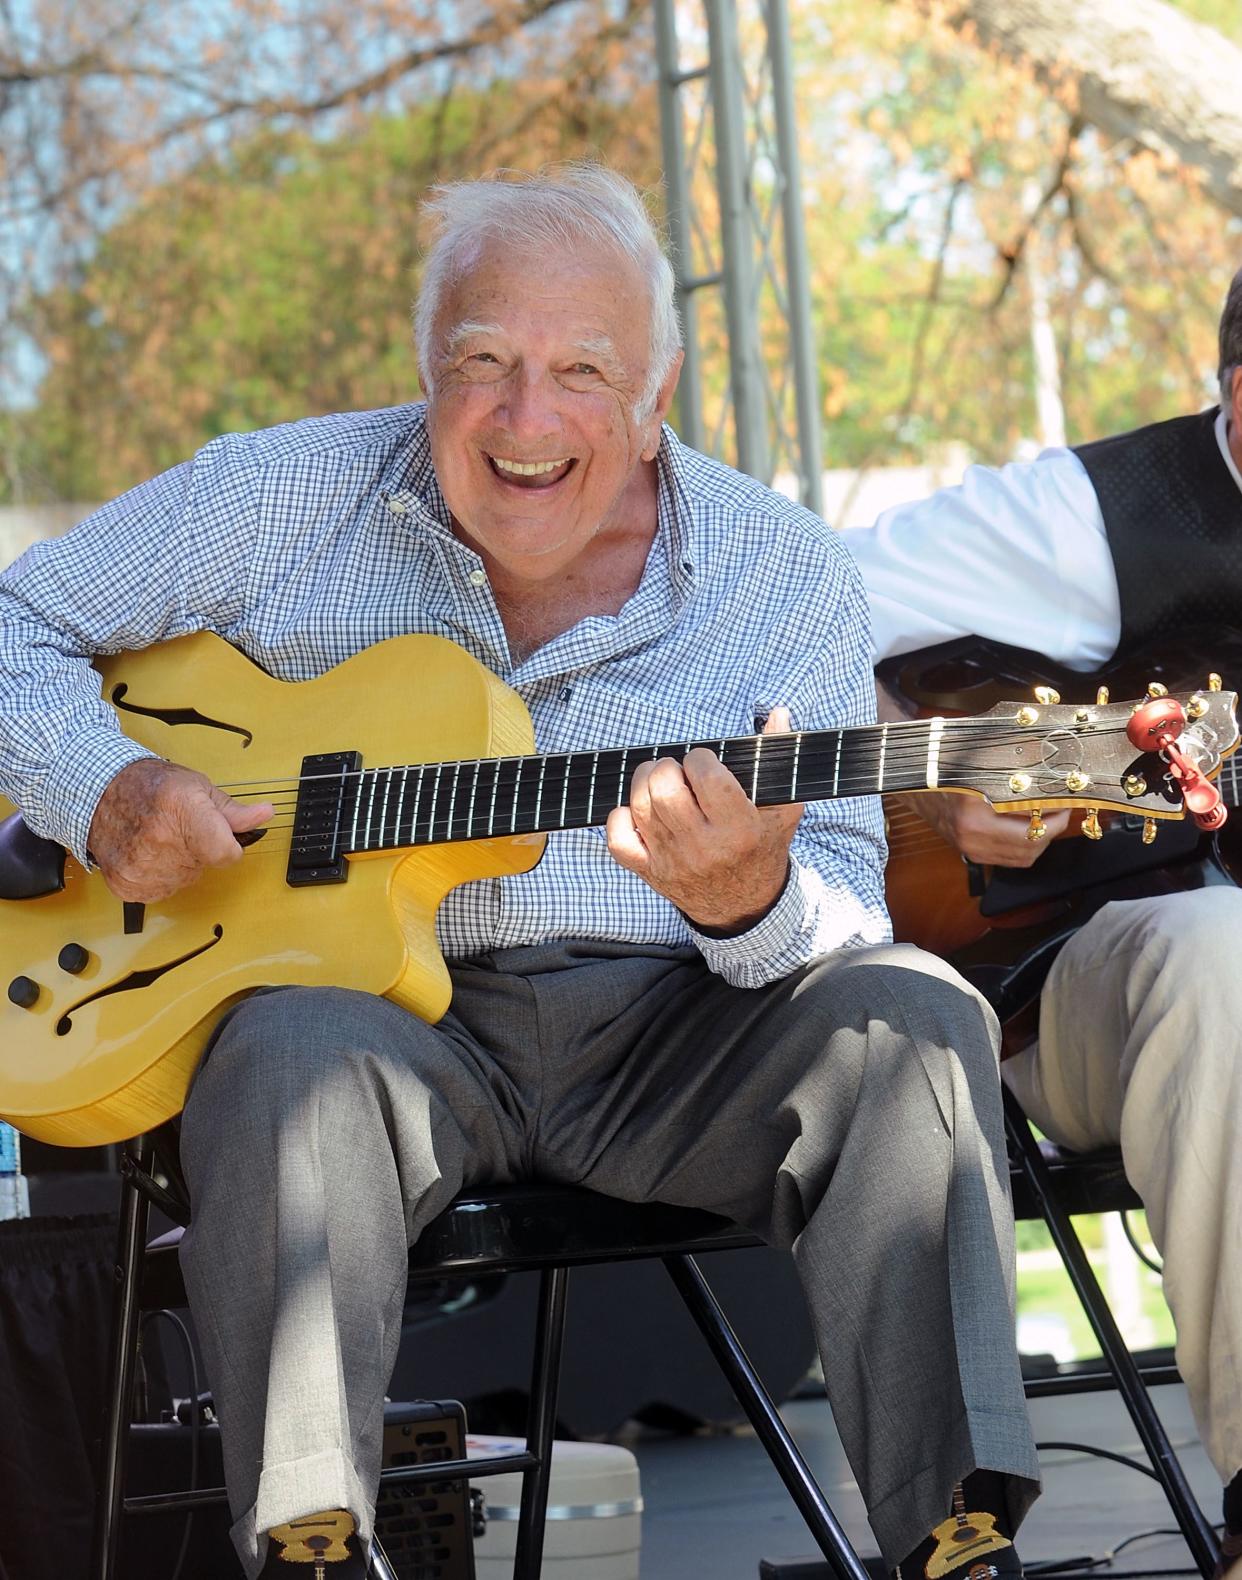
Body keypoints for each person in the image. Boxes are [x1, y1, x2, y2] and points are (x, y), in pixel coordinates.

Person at [0, 165, 1039, 1579]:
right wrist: (103, 784)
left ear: (657, 390)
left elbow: (846, 901)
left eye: (580, 372)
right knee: (287, 1053)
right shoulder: (273, 494)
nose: (525, 416)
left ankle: (952, 1534)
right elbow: (16, 620)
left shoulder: (783, 569)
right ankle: (313, 1541)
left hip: (683, 1033)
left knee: (913, 1017)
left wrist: (747, 901)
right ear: (425, 373)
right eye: (480, 363)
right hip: (383, 1034)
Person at [846, 263, 1242, 1580]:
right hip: (1089, 982)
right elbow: (768, 633)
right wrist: (931, 780)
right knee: (1218, 952)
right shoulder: (1080, 518)